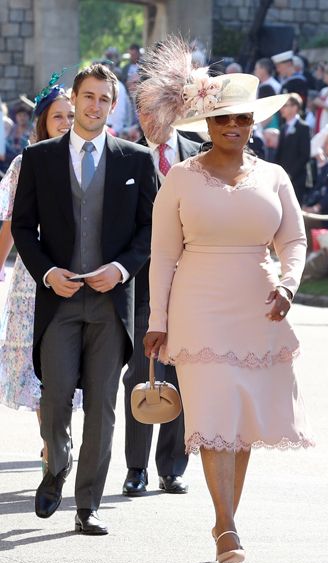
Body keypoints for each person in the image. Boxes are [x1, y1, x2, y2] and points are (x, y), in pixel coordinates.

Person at [142, 45, 311, 563]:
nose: (233, 125)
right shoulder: (180, 177)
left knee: (239, 426)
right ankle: (227, 526)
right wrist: (157, 321)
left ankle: (226, 520)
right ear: (207, 122)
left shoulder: (275, 176)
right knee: (214, 415)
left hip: (259, 309)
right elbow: (163, 254)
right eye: (223, 118)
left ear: (253, 123)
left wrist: (288, 285)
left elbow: (295, 240)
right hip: (198, 309)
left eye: (242, 118)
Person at [11, 63, 156, 535]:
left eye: (104, 100)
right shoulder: (40, 158)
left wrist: (119, 269)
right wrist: (48, 273)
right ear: (74, 100)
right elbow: (23, 229)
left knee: (103, 405)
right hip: (60, 300)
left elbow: (149, 230)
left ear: (114, 107)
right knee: (54, 398)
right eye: (88, 97)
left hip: (112, 303)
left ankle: (87, 503)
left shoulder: (136, 160)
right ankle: (57, 463)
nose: (95, 107)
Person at [120, 51, 205, 498]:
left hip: (193, 285)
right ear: (139, 113)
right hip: (141, 286)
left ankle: (173, 465)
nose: (155, 117)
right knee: (141, 372)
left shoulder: (199, 153)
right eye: (146, 109)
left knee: (184, 374)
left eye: (162, 107)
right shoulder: (127, 158)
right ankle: (136, 468)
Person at [0, 78, 80, 465]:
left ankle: (61, 435)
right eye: (58, 116)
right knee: (38, 368)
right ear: (43, 122)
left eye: (71, 115)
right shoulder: (25, 162)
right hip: (33, 279)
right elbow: (11, 222)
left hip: (79, 274)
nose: (65, 122)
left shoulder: (90, 160)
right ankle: (52, 442)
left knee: (71, 364)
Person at [276, 93, 311, 203]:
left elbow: (305, 155)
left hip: (296, 179)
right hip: (282, 179)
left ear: (295, 107)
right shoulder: (283, 128)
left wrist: (290, 174)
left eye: (285, 105)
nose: (282, 109)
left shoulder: (303, 127)